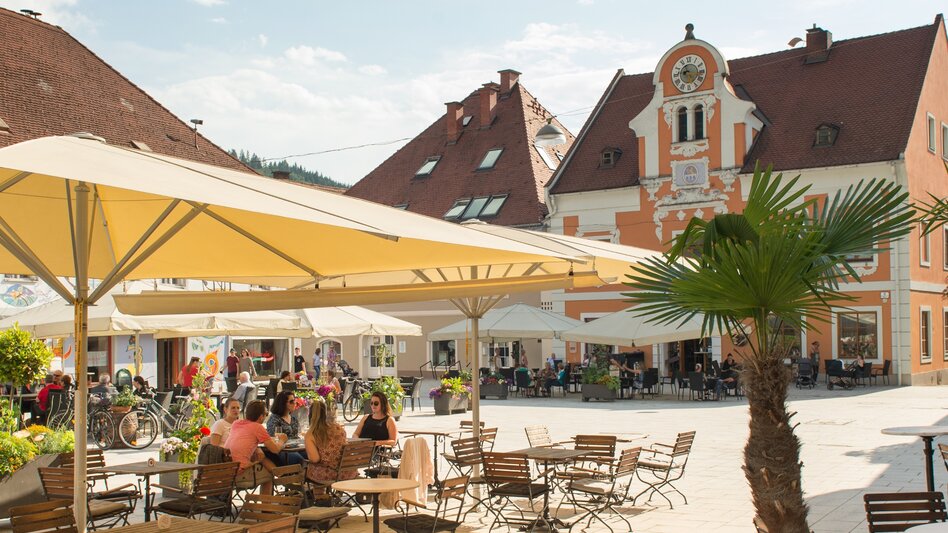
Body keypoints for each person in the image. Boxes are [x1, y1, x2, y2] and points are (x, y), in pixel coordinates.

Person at [224, 400, 286, 495]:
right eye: (265, 414)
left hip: (227, 470)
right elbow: (275, 449)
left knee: (261, 457)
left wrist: (257, 448)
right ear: (261, 416)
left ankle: (279, 474)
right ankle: (266, 506)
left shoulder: (236, 424)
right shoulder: (257, 427)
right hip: (240, 473)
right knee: (269, 475)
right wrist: (282, 440)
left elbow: (244, 441)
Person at [304, 399, 356, 487]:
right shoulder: (338, 428)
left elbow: (315, 459)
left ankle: (319, 497)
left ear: (310, 415)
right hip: (348, 472)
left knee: (307, 467)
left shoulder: (310, 434)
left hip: (329, 474)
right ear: (325, 413)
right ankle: (328, 497)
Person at [265, 391, 304, 466]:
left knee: (311, 455)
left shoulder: (293, 419)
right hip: (283, 450)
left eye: (295, 400)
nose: (294, 403)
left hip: (296, 447)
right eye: (291, 401)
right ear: (283, 403)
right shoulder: (274, 419)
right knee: (298, 459)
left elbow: (297, 435)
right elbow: (273, 437)